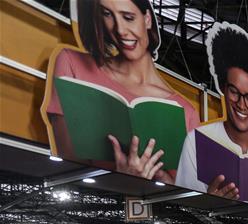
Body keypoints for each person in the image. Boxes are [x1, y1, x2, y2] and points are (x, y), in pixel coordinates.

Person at [44, 0, 201, 182]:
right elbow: (70, 166)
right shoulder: (72, 65)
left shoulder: (187, 112)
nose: (120, 30)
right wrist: (121, 178)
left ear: (148, 19)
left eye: (128, 17)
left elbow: (183, 191)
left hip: (151, 206)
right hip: (99, 201)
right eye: (107, 14)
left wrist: (156, 176)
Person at [175, 22, 248, 211]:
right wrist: (206, 203)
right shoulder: (197, 141)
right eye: (234, 92)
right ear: (223, 89)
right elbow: (182, 207)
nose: (241, 104)